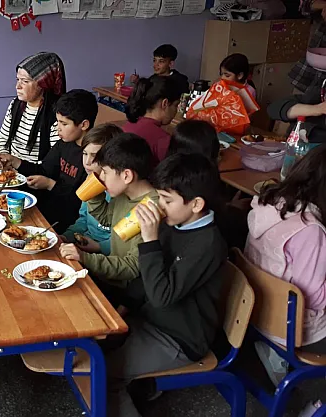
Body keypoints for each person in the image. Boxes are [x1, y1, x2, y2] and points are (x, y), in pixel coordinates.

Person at [103, 152, 227, 417]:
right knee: (94, 344)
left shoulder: (207, 244)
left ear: (196, 204)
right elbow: (146, 279)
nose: (160, 205)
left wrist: (150, 240)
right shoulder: (176, 223)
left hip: (179, 337)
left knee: (101, 372)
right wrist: (123, 308)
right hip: (150, 320)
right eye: (160, 197)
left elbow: (161, 296)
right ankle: (139, 385)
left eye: (167, 200)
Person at [245, 146, 326, 417]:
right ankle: (315, 405)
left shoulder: (270, 203)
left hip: (255, 309)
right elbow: (315, 299)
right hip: (290, 327)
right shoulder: (311, 230)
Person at [59, 133, 157, 292]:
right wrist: (94, 190)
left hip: (121, 288)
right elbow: (106, 219)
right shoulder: (126, 195)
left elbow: (132, 266)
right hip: (107, 273)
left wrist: (84, 257)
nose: (101, 176)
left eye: (104, 171)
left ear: (126, 175)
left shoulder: (148, 208)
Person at [0, 89, 97, 233]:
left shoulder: (92, 157)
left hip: (66, 222)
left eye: (64, 124)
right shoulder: (64, 143)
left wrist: (50, 185)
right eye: (57, 122)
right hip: (45, 210)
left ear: (84, 125)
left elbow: (80, 200)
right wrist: (15, 161)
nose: (58, 129)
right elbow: (44, 170)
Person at [61, 124, 124, 255]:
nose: (87, 162)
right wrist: (66, 237)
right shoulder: (90, 180)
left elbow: (123, 241)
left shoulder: (121, 192)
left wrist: (98, 247)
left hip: (108, 255)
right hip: (84, 245)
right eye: (85, 154)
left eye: (94, 156)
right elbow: (83, 219)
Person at [0, 52, 65, 163]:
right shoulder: (15, 105)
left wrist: (18, 165)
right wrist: (5, 158)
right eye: (18, 80)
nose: (17, 86)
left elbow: (53, 161)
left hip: (36, 172)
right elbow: (3, 138)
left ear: (43, 84)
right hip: (11, 168)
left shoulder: (56, 115)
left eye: (25, 81)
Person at [124, 76, 184, 164]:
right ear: (165, 103)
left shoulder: (129, 124)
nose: (176, 111)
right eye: (175, 105)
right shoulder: (163, 140)